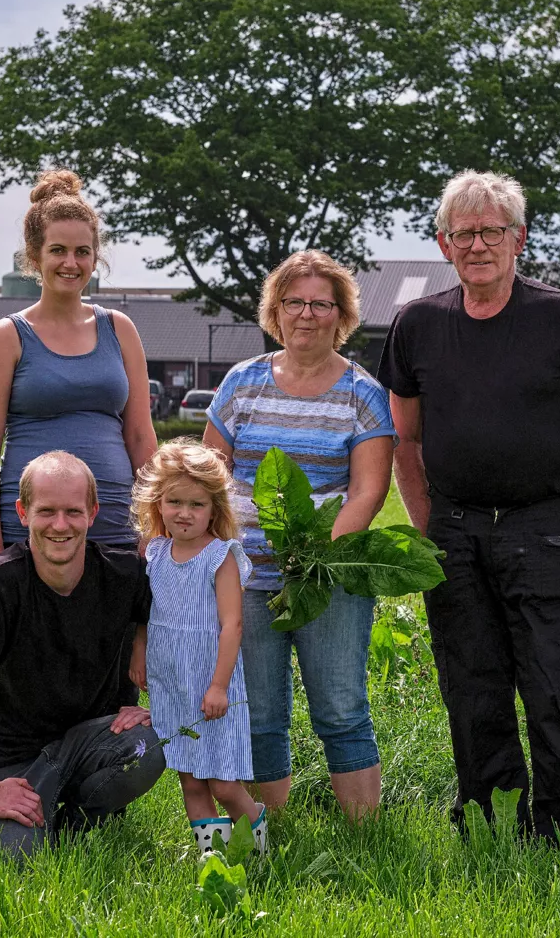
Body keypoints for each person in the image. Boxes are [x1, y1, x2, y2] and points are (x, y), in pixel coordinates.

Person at [377, 170, 560, 843]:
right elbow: (403, 441)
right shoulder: (418, 325)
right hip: (456, 530)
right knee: (473, 691)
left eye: (491, 231)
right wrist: (427, 532)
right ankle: (494, 825)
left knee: (557, 687)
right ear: (443, 245)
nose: (477, 245)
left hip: (544, 526)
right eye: (462, 233)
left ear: (519, 238)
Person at [202, 250, 395, 820]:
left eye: (320, 304)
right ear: (275, 312)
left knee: (340, 708)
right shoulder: (242, 382)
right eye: (294, 303)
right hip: (247, 578)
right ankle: (271, 832)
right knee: (259, 712)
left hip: (327, 581)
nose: (306, 315)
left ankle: (364, 836)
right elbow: (212, 472)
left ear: (341, 315)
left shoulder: (363, 393)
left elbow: (368, 491)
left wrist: (314, 559)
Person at [0, 451, 165, 859]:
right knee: (22, 862)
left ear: (93, 513)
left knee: (148, 748)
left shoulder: (124, 576)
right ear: (22, 513)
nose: (60, 525)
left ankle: (78, 822)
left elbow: (192, 630)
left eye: (72, 512)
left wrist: (162, 704)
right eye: (46, 512)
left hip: (90, 743)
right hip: (13, 761)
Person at [0, 169, 158, 561]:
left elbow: (141, 438)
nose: (70, 263)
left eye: (82, 252)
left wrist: (152, 529)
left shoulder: (119, 330)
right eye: (58, 250)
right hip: (30, 538)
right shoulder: (7, 338)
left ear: (95, 257)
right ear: (35, 256)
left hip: (116, 534)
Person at [129, 440, 267, 858]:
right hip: (172, 682)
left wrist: (219, 686)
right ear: (158, 502)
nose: (184, 513)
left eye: (196, 504)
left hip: (211, 683)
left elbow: (232, 624)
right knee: (189, 778)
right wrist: (140, 653)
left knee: (223, 783)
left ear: (214, 509)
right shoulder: (154, 552)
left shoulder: (220, 556)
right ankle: (216, 856)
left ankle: (258, 847)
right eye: (174, 502)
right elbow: (144, 613)